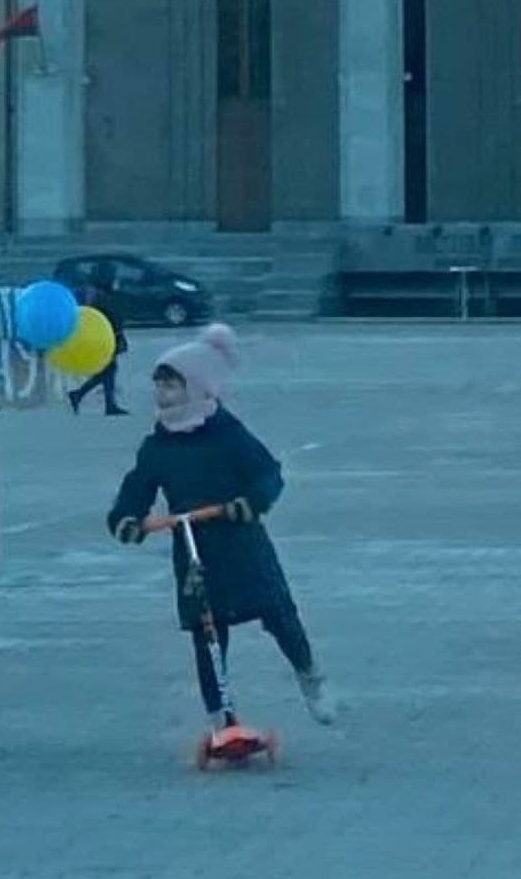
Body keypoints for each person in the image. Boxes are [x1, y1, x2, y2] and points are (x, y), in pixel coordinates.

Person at [105, 323, 337, 731]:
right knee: (207, 630)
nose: (161, 394)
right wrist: (127, 519)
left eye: (171, 386)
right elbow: (137, 488)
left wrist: (250, 503)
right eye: (158, 386)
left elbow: (267, 474)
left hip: (240, 540)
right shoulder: (157, 446)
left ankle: (308, 673)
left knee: (278, 613)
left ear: (195, 388)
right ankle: (221, 718)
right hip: (194, 548)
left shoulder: (227, 434)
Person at [68, 262, 129, 416]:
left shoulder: (94, 292)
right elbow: (111, 317)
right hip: (106, 338)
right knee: (107, 371)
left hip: (106, 337)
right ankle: (82, 395)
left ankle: (104, 402)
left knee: (108, 371)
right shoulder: (101, 295)